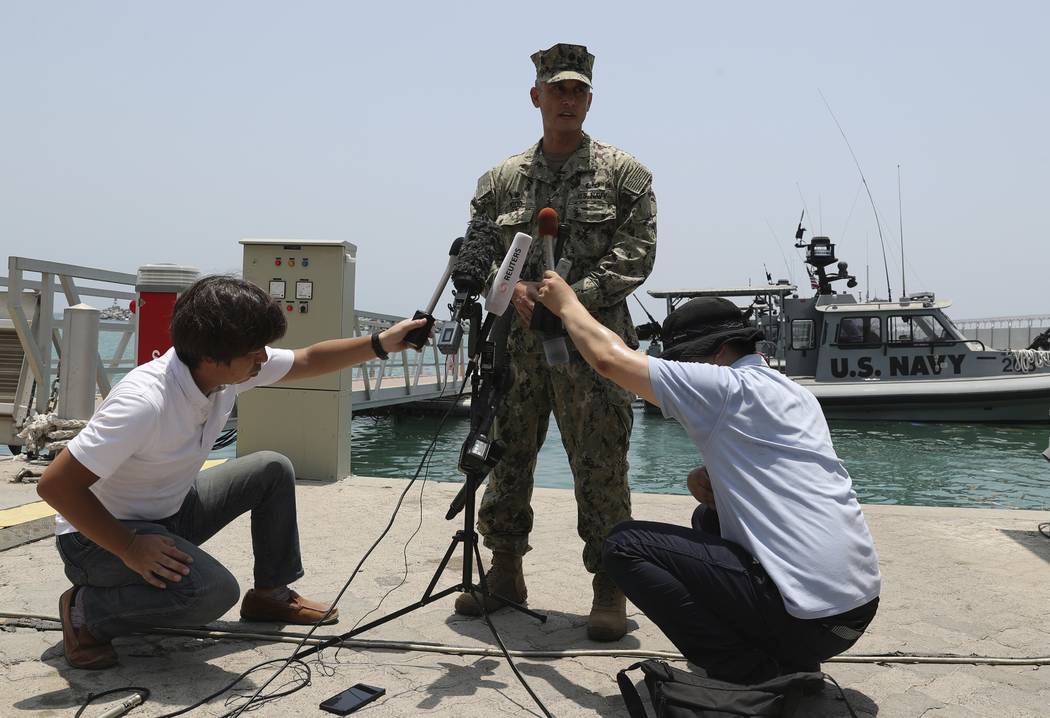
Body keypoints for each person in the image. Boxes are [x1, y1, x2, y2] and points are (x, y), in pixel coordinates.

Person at [37, 276, 425, 669]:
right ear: (212, 355)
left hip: (170, 512)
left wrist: (381, 344)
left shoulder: (223, 370)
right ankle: (86, 612)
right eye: (254, 352)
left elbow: (308, 359)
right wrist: (130, 547)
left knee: (270, 468)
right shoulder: (143, 403)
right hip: (97, 539)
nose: (263, 359)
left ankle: (270, 595)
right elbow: (55, 485)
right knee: (211, 593)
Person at [535, 274, 881, 683]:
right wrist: (711, 476)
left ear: (716, 354)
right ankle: (786, 657)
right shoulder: (794, 393)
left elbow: (611, 360)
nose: (680, 369)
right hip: (854, 610)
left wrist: (567, 304)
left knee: (623, 545)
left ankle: (747, 672)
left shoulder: (726, 387)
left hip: (806, 620)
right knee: (707, 519)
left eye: (684, 360)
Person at [453, 43, 657, 641]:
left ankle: (610, 586)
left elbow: (636, 254)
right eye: (557, 89)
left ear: (590, 99)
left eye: (579, 91)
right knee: (507, 455)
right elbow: (481, 249)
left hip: (594, 347)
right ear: (536, 96)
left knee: (599, 464)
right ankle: (505, 570)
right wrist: (508, 287)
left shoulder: (625, 175)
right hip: (514, 347)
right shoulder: (501, 181)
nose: (568, 100)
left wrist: (569, 299)